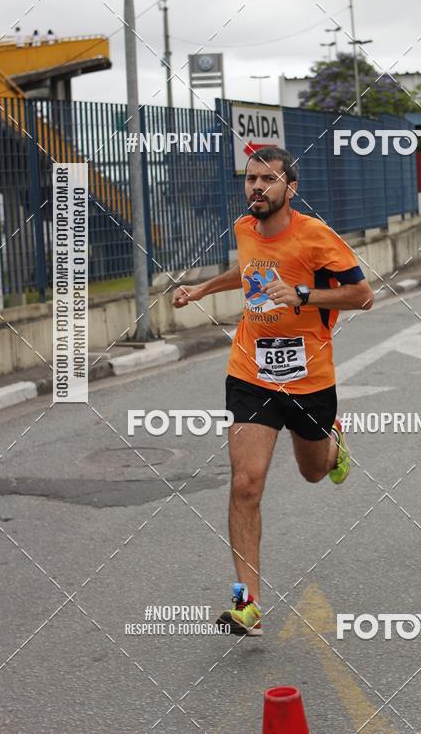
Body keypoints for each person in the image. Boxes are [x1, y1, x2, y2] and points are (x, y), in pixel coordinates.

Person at [172, 146, 374, 636]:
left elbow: (363, 295)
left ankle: (331, 444)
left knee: (312, 473)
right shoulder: (244, 229)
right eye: (250, 179)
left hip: (308, 378)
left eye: (267, 179)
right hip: (251, 371)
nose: (256, 187)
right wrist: (203, 289)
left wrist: (305, 294)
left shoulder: (315, 237)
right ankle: (247, 602)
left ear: (290, 187)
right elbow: (247, 275)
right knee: (245, 483)